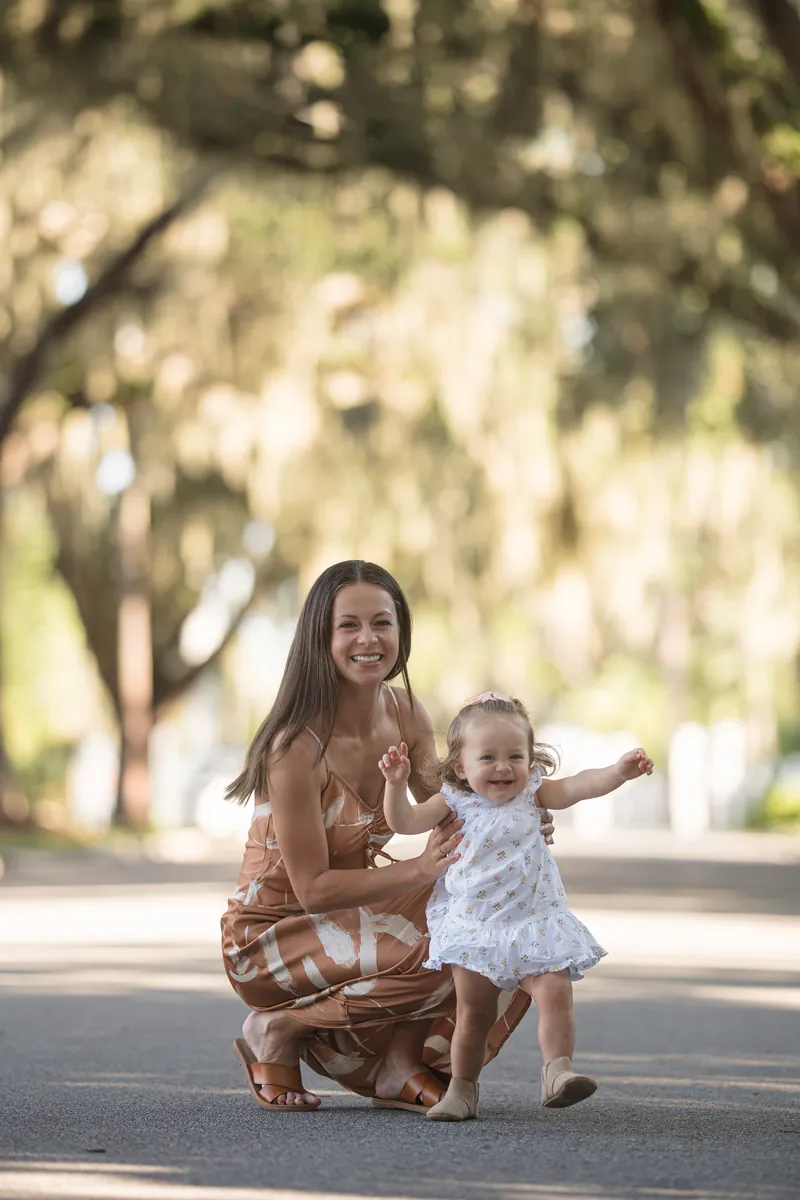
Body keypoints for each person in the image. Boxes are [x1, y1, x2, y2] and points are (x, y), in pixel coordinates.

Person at [221, 563, 556, 1111]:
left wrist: (517, 821)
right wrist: (420, 871)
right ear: (320, 639)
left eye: (383, 622)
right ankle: (279, 1027)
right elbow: (313, 891)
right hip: (271, 937)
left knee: (506, 913)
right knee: (442, 943)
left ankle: (398, 1062)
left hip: (349, 920)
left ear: (401, 633)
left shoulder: (404, 713)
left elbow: (456, 809)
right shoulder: (295, 747)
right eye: (348, 625)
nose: (368, 639)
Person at [379, 691, 654, 1121]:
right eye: (487, 757)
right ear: (460, 767)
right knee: (473, 1016)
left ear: (531, 759)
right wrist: (395, 785)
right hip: (477, 928)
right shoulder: (453, 802)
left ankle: (557, 1070)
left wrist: (618, 772)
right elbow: (405, 822)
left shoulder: (534, 795)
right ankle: (462, 1090)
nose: (503, 767)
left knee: (556, 991)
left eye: (515, 756)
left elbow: (580, 786)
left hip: (533, 922)